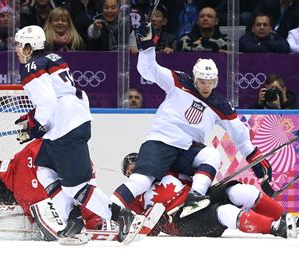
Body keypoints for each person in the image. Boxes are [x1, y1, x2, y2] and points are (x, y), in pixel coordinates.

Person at [112, 17, 272, 219]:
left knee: (212, 155)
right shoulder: (178, 81)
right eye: (202, 81)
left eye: (210, 82)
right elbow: (148, 70)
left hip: (188, 149)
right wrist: (146, 48)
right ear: (194, 78)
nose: (206, 86)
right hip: (162, 142)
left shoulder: (220, 105)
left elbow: (239, 133)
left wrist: (254, 157)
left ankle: (194, 198)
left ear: (216, 81)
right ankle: (112, 210)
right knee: (142, 181)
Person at [13, 25, 140, 243]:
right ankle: (73, 220)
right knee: (45, 170)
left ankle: (121, 216)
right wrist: (33, 117)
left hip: (66, 128)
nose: (16, 50)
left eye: (18, 45)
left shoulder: (31, 66)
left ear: (28, 46)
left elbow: (47, 101)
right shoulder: (52, 58)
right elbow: (58, 95)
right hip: (68, 123)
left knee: (76, 186)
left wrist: (34, 126)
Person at [122, 152, 299, 238]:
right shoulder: (134, 197)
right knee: (224, 212)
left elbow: (199, 178)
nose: (135, 174)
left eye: (137, 167)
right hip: (182, 223)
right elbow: (141, 230)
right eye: (130, 173)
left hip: (197, 202)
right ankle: (276, 228)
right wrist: (155, 223)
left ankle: (288, 218)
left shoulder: (170, 172)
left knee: (242, 191)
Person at [0, 139, 106, 239]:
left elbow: (89, 197)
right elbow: (27, 194)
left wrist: (94, 224)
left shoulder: (83, 165)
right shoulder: (39, 153)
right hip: (0, 185)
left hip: (24, 190)